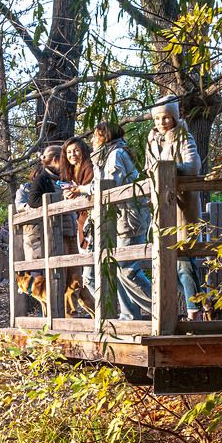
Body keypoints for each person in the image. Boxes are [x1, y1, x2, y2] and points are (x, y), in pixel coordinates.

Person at [68, 121, 151, 320]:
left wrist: (82, 189)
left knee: (127, 269)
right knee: (118, 268)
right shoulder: (107, 155)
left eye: (95, 136)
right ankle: (129, 315)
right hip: (118, 218)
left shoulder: (116, 154)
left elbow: (109, 186)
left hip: (128, 218)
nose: (92, 141)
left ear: (105, 136)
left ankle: (160, 307)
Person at [145, 95, 204, 319]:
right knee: (167, 263)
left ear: (175, 117)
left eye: (167, 117)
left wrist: (170, 170)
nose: (162, 122)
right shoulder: (153, 140)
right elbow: (149, 168)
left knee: (183, 260)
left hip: (182, 206)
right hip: (162, 207)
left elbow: (193, 165)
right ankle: (203, 301)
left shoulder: (184, 137)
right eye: (159, 118)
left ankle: (195, 310)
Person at [61, 137, 95, 307]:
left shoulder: (89, 166)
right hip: (82, 220)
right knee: (87, 273)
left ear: (83, 150)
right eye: (68, 152)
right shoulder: (71, 171)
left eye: (75, 150)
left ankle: (106, 314)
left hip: (93, 219)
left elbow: (93, 190)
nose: (72, 154)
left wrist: (77, 193)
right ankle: (102, 313)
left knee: (89, 273)